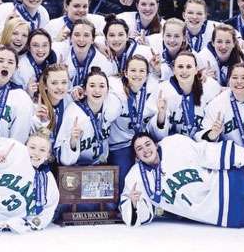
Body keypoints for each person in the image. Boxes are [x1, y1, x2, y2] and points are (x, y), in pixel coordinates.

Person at [108, 55, 164, 193]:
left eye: (141, 71)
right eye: (133, 70)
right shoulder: (113, 86)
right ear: (125, 73)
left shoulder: (155, 87)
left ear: (147, 74)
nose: (137, 75)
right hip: (120, 143)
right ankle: (125, 207)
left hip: (144, 141)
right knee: (123, 184)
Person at [55, 67, 121, 166]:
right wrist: (72, 142)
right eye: (92, 86)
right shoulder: (74, 114)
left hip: (101, 167)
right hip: (76, 169)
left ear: (108, 91)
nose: (97, 90)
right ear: (85, 91)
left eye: (102, 86)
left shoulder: (112, 104)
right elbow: (61, 158)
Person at [147, 51, 221, 138]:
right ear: (173, 69)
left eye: (189, 67)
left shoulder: (210, 87)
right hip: (174, 146)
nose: (184, 71)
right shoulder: (163, 90)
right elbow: (155, 135)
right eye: (180, 67)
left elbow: (211, 129)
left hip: (202, 145)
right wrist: (161, 115)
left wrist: (212, 133)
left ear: (196, 69)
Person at [11, 28, 67, 98]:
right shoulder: (20, 67)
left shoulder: (54, 58)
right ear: (28, 47)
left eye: (45, 45)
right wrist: (28, 94)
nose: (40, 50)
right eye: (35, 45)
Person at [65, 19, 115, 94]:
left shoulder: (105, 62)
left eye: (86, 35)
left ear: (93, 40)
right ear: (70, 38)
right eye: (77, 35)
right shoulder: (62, 55)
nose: (81, 40)